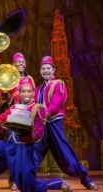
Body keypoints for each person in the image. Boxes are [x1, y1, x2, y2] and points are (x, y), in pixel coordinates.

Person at [0, 77, 73, 192]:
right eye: (23, 91)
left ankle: (57, 182)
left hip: (24, 150)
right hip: (8, 145)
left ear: (33, 92)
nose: (26, 94)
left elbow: (38, 134)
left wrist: (22, 134)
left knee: (27, 187)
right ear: (20, 93)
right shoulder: (13, 107)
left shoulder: (37, 109)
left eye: (29, 91)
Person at [33, 56, 99, 190]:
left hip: (53, 123)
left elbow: (56, 104)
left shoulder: (59, 84)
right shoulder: (38, 89)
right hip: (41, 125)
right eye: (43, 69)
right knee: (34, 151)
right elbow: (33, 106)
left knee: (65, 152)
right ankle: (26, 177)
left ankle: (85, 179)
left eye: (48, 68)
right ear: (40, 71)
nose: (45, 71)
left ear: (53, 70)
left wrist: (43, 114)